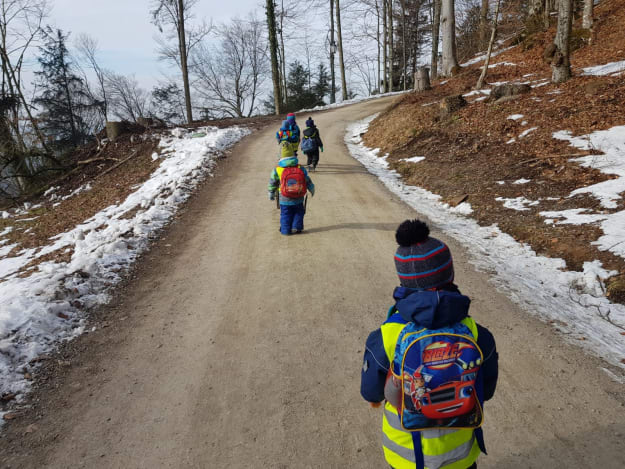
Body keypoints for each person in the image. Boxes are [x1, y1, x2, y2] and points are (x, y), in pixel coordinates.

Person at [360, 219, 498, 469]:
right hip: (461, 455)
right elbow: (486, 390)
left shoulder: (388, 334)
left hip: (405, 456)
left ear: (403, 282)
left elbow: (371, 390)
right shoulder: (476, 332)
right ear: (449, 274)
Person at [268, 145, 315, 235]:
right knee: (298, 212)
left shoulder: (277, 170)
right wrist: (311, 188)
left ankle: (285, 230)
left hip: (284, 198)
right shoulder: (300, 168)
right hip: (299, 196)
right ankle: (296, 228)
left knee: (285, 214)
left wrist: (271, 192)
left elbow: (272, 183)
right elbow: (307, 180)